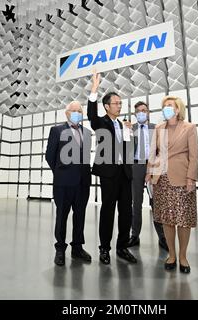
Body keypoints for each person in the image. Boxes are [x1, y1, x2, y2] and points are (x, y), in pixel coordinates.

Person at [87, 72, 137, 265]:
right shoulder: (100, 122)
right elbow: (91, 114)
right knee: (108, 211)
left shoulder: (124, 124)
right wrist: (94, 89)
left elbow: (128, 149)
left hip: (125, 173)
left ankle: (122, 247)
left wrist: (130, 133)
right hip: (108, 173)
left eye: (120, 103)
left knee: (126, 211)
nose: (119, 105)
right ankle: (104, 249)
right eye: (116, 103)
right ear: (107, 106)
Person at [146, 96, 198, 273]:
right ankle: (172, 255)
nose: (165, 109)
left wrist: (192, 177)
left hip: (182, 178)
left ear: (178, 109)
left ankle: (183, 256)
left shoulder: (189, 127)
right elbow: (153, 152)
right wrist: (149, 172)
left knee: (184, 220)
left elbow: (194, 155)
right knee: (167, 220)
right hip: (162, 179)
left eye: (169, 106)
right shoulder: (159, 128)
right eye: (164, 106)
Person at [45, 101, 92, 266]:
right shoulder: (57, 130)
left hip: (83, 183)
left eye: (80, 111)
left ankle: (77, 248)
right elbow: (50, 156)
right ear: (66, 113)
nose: (77, 113)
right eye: (74, 111)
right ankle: (60, 249)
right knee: (61, 216)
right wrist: (60, 172)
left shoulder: (87, 133)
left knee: (80, 216)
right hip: (63, 183)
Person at [127, 101, 168, 251]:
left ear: (148, 112)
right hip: (136, 166)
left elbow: (161, 149)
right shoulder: (130, 129)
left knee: (156, 202)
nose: (141, 113)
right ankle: (134, 235)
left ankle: (162, 236)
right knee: (136, 203)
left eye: (144, 110)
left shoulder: (155, 128)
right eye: (138, 111)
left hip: (153, 166)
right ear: (135, 114)